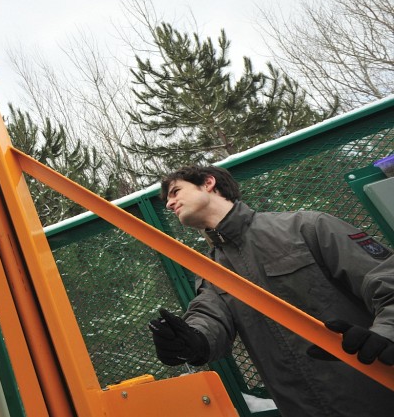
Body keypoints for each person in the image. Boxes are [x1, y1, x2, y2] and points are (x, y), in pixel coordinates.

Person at [148, 164, 394, 416]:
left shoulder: (306, 226)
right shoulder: (209, 271)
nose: (169, 203)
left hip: (378, 394)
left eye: (176, 191)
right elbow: (209, 317)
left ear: (209, 183)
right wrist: (191, 341)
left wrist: (387, 333)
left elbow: (386, 279)